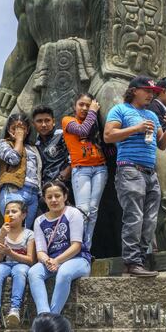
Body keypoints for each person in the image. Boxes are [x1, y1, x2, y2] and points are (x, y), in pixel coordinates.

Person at [104, 76, 166, 277]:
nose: (151, 94)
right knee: (134, 217)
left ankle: (141, 260)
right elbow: (108, 136)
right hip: (130, 169)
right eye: (147, 90)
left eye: (153, 91)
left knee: (150, 220)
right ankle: (131, 262)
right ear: (134, 90)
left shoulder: (152, 116)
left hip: (150, 172)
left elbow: (162, 144)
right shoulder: (120, 110)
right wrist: (136, 128)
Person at [28, 180, 91, 314]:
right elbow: (40, 251)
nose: (54, 200)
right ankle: (43, 313)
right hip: (51, 262)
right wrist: (48, 261)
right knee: (33, 272)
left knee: (64, 273)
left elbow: (76, 246)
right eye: (49, 197)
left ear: (65, 196)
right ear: (44, 199)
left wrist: (57, 261)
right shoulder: (39, 221)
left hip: (78, 260)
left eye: (57, 196)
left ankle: (53, 315)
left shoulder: (73, 213)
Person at [62, 93, 107, 250]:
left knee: (93, 211)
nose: (85, 108)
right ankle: (76, 246)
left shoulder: (95, 124)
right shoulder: (68, 121)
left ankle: (86, 248)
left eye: (88, 105)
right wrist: (93, 111)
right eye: (81, 104)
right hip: (81, 169)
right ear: (74, 105)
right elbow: (82, 131)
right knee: (83, 210)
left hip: (100, 168)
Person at [0, 200, 35, 328]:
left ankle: (15, 309)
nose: (11, 214)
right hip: (4, 264)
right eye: (7, 212)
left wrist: (11, 253)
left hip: (21, 264)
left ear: (23, 215)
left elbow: (30, 260)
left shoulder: (29, 234)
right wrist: (2, 235)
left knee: (20, 272)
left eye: (14, 211)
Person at [0, 113, 42, 229]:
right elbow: (13, 159)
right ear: (8, 129)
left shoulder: (33, 148)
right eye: (14, 128)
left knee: (26, 232)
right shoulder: (3, 144)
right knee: (12, 228)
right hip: (13, 190)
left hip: (33, 193)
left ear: (28, 130)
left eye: (22, 129)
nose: (19, 131)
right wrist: (19, 139)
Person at [32, 105, 71, 188]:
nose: (43, 124)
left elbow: (74, 154)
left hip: (66, 185)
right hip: (46, 188)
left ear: (53, 122)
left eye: (47, 120)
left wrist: (66, 173)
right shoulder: (36, 145)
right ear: (34, 124)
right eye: (39, 121)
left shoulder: (62, 135)